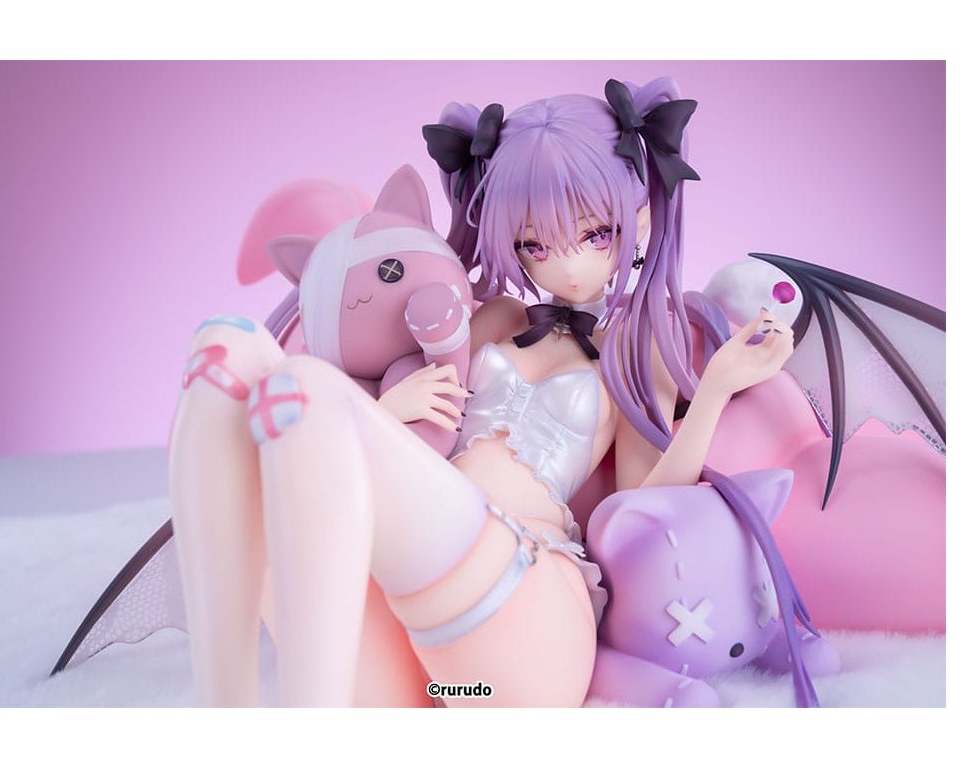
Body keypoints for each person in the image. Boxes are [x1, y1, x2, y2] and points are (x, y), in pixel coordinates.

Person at [169, 76, 795, 707]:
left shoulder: (634, 346)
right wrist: (390, 412)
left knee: (306, 389)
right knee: (234, 352)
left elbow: (643, 505)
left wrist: (714, 390)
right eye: (533, 243)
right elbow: (427, 425)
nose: (565, 265)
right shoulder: (495, 317)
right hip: (436, 679)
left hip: (528, 619)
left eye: (594, 234)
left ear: (638, 218)